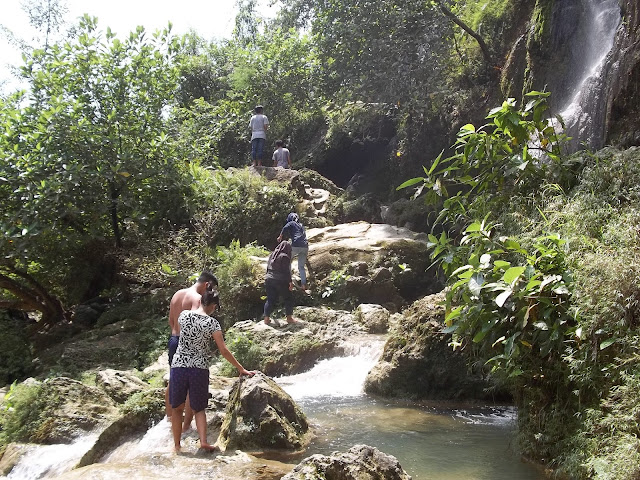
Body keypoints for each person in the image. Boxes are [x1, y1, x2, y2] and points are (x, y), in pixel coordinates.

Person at [170, 290, 256, 452]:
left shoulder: (184, 315)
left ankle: (176, 446)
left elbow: (180, 335)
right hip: (199, 368)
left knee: (177, 407)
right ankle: (203, 441)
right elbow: (223, 350)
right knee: (199, 408)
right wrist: (241, 369)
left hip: (179, 366)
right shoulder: (212, 324)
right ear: (213, 306)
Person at [165, 271, 218, 427]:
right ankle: (186, 425)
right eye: (211, 288)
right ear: (207, 284)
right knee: (190, 386)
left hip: (174, 340)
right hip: (187, 344)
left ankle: (170, 420)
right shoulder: (197, 299)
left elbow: (170, 320)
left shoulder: (177, 294)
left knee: (173, 380)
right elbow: (197, 323)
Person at [263, 241, 297, 325]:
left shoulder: (272, 255)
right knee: (288, 298)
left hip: (269, 279)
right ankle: (289, 318)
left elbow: (267, 268)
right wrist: (290, 282)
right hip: (280, 280)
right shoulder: (284, 256)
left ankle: (266, 319)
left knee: (270, 299)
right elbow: (286, 271)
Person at [277, 213, 310, 293]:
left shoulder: (292, 223)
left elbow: (285, 227)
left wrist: (280, 236)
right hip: (305, 246)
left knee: (288, 261)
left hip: (296, 245)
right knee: (301, 267)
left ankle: (290, 282)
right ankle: (303, 285)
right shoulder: (301, 225)